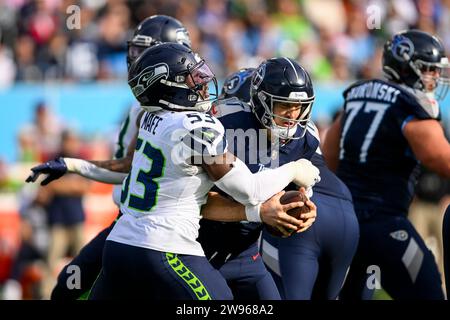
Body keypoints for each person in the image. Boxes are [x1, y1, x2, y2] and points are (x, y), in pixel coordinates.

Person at [27, 43, 320, 300]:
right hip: (165, 248)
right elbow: (250, 191)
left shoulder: (153, 119)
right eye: (192, 78)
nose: (203, 82)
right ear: (169, 86)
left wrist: (72, 164)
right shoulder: (197, 127)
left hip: (119, 247)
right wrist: (296, 168)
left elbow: (126, 169)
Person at [322, 29, 450, 300]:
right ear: (406, 67)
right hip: (384, 222)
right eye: (428, 69)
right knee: (430, 293)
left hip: (345, 220)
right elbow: (438, 158)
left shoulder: (357, 95)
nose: (435, 77)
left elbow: (329, 151)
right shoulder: (410, 104)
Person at [216, 64, 359, 300]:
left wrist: (303, 208)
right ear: (257, 102)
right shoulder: (224, 126)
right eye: (285, 106)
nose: (293, 116)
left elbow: (286, 196)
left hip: (245, 252)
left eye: (299, 107)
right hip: (200, 247)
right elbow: (198, 203)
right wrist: (260, 212)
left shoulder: (306, 137)